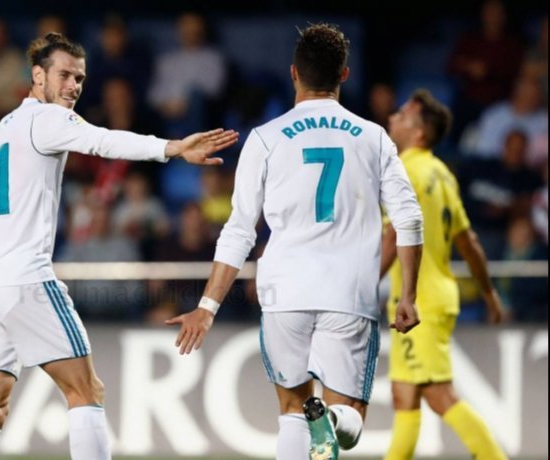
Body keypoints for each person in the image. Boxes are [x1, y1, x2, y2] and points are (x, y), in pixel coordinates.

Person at [0, 32, 238, 460]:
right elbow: (105, 141)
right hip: (23, 280)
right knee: (87, 390)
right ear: (38, 75)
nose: (74, 86)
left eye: (80, 79)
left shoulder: (6, 128)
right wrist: (173, 147)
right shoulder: (46, 119)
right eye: (65, 75)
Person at [165, 23, 424, 460]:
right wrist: (409, 295)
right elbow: (409, 220)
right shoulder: (373, 137)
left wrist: (207, 307)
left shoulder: (265, 139)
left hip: (284, 292)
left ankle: (316, 418)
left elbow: (239, 230)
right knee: (350, 420)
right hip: (349, 292)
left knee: (291, 409)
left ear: (293, 74)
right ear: (344, 75)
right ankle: (333, 418)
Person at [381, 89, 507, 460]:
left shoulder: (405, 171)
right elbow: (468, 241)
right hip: (433, 294)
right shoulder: (442, 174)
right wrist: (488, 292)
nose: (392, 118)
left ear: (419, 133)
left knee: (438, 394)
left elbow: (392, 235)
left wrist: (360, 286)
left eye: (402, 115)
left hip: (417, 299)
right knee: (404, 396)